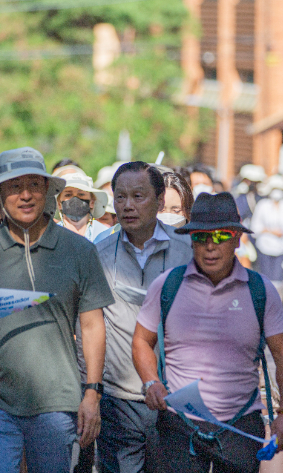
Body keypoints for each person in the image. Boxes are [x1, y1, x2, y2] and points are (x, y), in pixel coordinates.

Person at [0, 147, 114, 473]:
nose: (25, 195)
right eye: (14, 186)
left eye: (34, 185)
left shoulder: (80, 251)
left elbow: (93, 326)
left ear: (48, 191)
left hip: (56, 403)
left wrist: (92, 394)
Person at [131, 192, 283, 473]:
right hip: (177, 424)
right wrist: (151, 382)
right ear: (190, 240)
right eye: (200, 237)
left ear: (237, 239)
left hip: (240, 425)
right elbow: (141, 341)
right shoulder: (167, 286)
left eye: (221, 236)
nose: (210, 246)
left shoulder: (261, 290)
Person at [94, 162, 193, 473]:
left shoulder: (188, 250)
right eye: (120, 197)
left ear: (160, 200)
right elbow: (90, 324)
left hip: (179, 398)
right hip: (120, 400)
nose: (128, 206)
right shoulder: (100, 254)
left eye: (138, 196)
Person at [251, 175, 283, 282]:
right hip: (264, 248)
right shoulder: (262, 205)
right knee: (264, 280)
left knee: (278, 280)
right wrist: (271, 232)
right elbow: (254, 228)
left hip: (282, 249)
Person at [57, 172, 109, 241]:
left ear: (92, 202)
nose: (75, 199)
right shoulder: (50, 235)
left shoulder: (105, 235)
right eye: (68, 195)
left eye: (81, 194)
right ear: (59, 204)